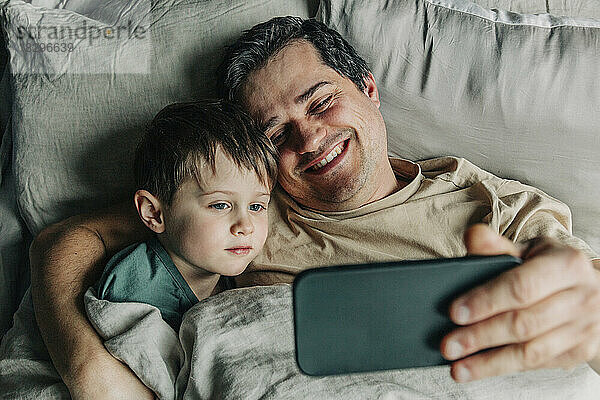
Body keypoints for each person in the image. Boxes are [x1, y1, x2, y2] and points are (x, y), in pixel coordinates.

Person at [29, 16, 600, 399]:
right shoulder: (242, 211)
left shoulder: (496, 206)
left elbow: (581, 284)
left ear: (369, 91)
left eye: (321, 102)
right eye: (275, 134)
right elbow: (67, 241)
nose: (308, 139)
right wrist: (88, 369)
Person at [93, 100, 278, 331]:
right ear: (154, 213)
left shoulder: (228, 273)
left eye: (257, 207)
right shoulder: (136, 290)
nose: (245, 226)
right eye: (220, 205)